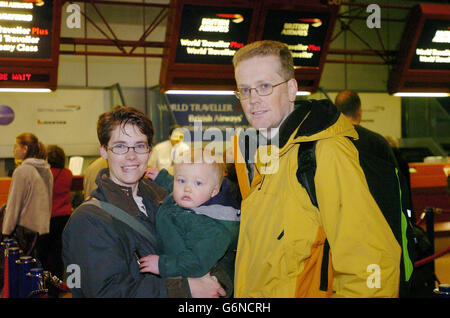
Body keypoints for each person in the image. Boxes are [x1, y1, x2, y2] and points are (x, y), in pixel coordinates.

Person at [231, 40, 401, 297]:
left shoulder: (325, 153)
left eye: (264, 86)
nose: (253, 100)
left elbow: (371, 264)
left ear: (291, 89)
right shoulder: (260, 157)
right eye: (244, 90)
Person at [62, 106, 227, 298]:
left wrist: (217, 281)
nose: (131, 156)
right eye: (120, 146)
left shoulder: (166, 196)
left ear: (149, 151)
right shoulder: (89, 220)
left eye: (140, 146)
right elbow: (105, 292)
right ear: (104, 151)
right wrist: (185, 288)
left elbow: (210, 241)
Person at [141, 149, 240, 296]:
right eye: (181, 180)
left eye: (198, 183)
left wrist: (162, 265)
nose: (187, 188)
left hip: (197, 282)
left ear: (214, 192)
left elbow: (197, 262)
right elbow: (176, 188)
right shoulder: (195, 200)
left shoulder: (213, 228)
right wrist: (162, 177)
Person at [2, 133, 53, 261]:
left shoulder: (21, 171)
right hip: (42, 229)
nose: (13, 150)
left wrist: (5, 233)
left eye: (15, 146)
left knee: (21, 272)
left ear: (25, 149)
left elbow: (14, 204)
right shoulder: (46, 170)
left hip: (25, 231)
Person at [334, 90, 399, 166]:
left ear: (337, 113)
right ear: (359, 111)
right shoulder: (378, 142)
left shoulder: (326, 142)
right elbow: (395, 173)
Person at [46, 145, 73, 281]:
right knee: (58, 253)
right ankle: (58, 284)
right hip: (65, 217)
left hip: (48, 217)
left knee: (45, 253)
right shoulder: (67, 174)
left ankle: (47, 284)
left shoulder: (46, 174)